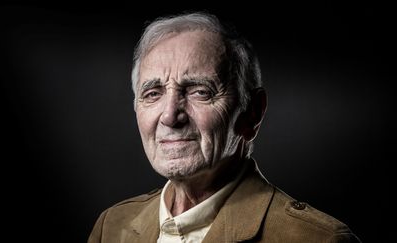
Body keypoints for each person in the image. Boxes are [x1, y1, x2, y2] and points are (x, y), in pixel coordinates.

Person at [88, 12, 360, 243]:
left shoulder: (316, 238)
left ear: (252, 113)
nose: (170, 116)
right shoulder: (111, 227)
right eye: (153, 94)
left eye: (199, 92)